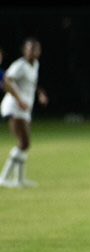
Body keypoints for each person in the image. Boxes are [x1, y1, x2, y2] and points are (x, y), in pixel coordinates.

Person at [1, 38, 49, 189]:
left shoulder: (35, 65)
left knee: (25, 144)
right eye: (30, 49)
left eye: (36, 49)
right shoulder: (19, 65)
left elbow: (32, 83)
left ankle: (19, 180)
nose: (33, 52)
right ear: (24, 50)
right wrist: (19, 99)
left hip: (25, 108)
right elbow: (6, 80)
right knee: (24, 142)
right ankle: (3, 178)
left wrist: (40, 93)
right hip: (14, 106)